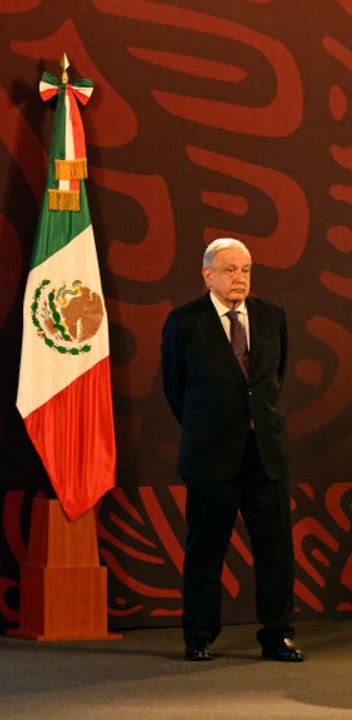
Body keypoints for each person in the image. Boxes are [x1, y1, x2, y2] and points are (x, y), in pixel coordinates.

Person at [160, 237, 302, 662]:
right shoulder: (184, 322)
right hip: (211, 456)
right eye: (229, 270)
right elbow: (175, 388)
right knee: (206, 549)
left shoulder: (271, 316)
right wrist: (211, 428)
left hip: (266, 455)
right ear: (208, 275)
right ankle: (199, 635)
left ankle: (278, 635)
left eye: (245, 270)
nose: (239, 278)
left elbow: (273, 378)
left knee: (275, 551)